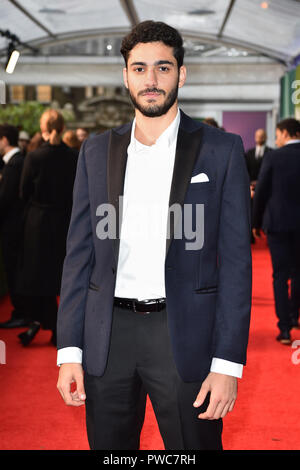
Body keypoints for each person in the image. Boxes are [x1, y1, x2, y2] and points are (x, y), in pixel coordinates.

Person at [56, 21, 252, 451]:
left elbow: (238, 262)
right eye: (139, 68)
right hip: (107, 336)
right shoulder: (95, 151)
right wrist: (69, 350)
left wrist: (228, 364)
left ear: (181, 74)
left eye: (162, 68)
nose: (151, 80)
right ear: (125, 75)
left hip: (184, 335)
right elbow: (79, 256)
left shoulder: (221, 150)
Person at [16, 110, 78, 346]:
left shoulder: (34, 157)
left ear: (43, 129)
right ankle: (59, 327)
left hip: (38, 222)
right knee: (63, 277)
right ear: (62, 128)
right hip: (65, 221)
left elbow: (23, 193)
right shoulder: (74, 157)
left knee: (38, 276)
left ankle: (42, 321)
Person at [252, 118, 300, 344]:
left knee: (280, 275)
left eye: (278, 134)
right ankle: (294, 316)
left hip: (278, 224)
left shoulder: (274, 156)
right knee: (298, 273)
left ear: (285, 133)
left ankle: (284, 329)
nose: (276, 138)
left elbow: (261, 192)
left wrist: (254, 221)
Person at [0, 124, 30, 328]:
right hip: (18, 227)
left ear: (4, 140)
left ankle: (21, 312)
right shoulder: (18, 162)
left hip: (13, 228)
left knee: (15, 270)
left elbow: (5, 200)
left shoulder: (15, 164)